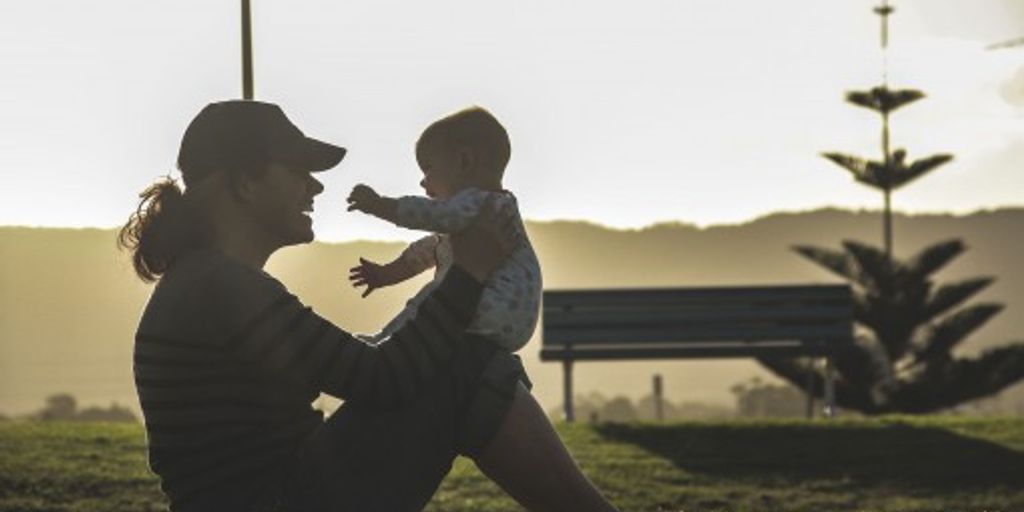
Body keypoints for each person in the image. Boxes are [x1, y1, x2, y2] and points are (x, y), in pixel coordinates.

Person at [119, 99, 617, 512]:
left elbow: (352, 366)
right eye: (299, 171)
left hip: (281, 494)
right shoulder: (220, 288)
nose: (314, 186)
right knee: (465, 365)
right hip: (282, 501)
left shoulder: (206, 282)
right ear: (245, 183)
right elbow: (380, 379)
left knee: (462, 361)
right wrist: (470, 272)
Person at [346, 106, 541, 355]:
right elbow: (431, 250)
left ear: (464, 162)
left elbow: (433, 216)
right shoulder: (490, 212)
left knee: (430, 301)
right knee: (434, 301)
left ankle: (385, 345)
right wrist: (386, 274)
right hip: (512, 323)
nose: (423, 182)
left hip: (489, 308)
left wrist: (380, 205)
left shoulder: (482, 202)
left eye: (428, 169)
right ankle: (385, 342)